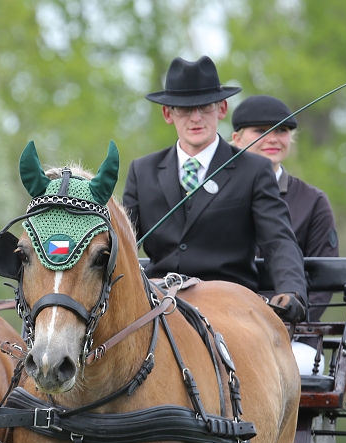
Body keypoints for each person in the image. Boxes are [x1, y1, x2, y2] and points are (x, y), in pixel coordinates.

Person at [123, 56, 307, 323]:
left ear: (222, 109)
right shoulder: (143, 171)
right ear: (168, 114)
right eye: (185, 109)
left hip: (229, 308)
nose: (196, 118)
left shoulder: (253, 170)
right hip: (159, 306)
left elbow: (278, 240)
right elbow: (122, 244)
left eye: (205, 107)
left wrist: (291, 291)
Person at [231, 94, 339, 322]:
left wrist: (288, 320)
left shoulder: (313, 201)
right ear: (237, 139)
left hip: (293, 332)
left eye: (281, 131)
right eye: (260, 131)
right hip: (224, 326)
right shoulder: (218, 195)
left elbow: (322, 280)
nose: (272, 139)